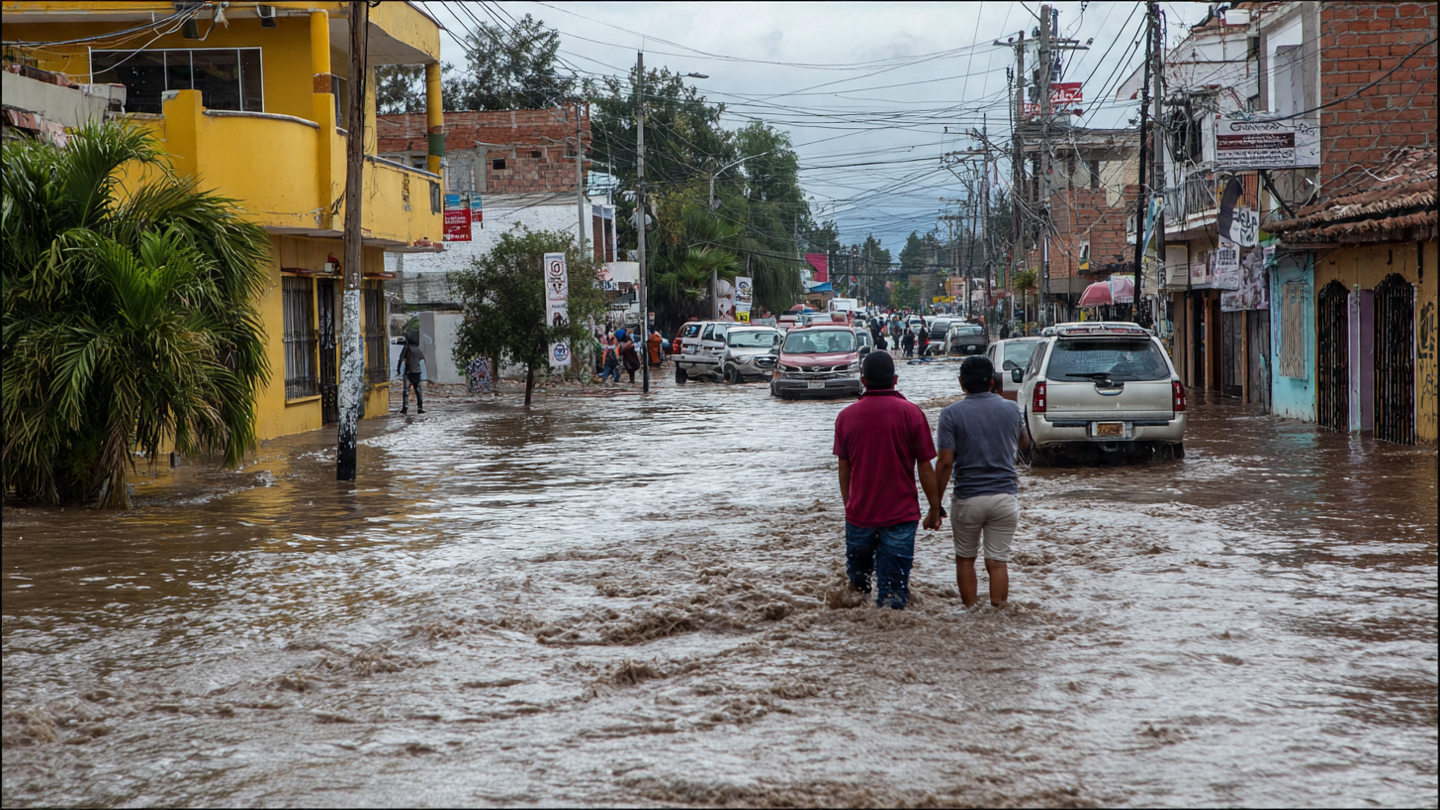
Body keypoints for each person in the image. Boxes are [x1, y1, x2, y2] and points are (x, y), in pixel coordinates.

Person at [833, 351, 944, 610]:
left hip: (859, 514)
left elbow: (844, 468)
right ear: (895, 380)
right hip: (901, 516)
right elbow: (925, 468)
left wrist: (849, 506)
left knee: (857, 589)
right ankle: (891, 645)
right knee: (894, 592)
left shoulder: (846, 417)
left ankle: (860, 638)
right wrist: (935, 509)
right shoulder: (912, 414)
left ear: (863, 381)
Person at [932, 356, 1031, 610]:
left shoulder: (950, 414)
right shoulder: (1011, 409)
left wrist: (935, 506)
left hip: (968, 499)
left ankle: (972, 614)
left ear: (961, 382)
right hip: (1005, 498)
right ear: (991, 382)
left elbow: (944, 462)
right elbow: (1024, 443)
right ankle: (998, 614)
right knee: (997, 562)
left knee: (965, 560)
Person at [396, 336, 425, 414]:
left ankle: (405, 408)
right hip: (417, 373)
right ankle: (420, 408)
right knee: (418, 392)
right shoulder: (418, 350)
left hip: (408, 373)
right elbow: (422, 360)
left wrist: (398, 369)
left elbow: (401, 359)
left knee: (406, 391)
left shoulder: (407, 348)